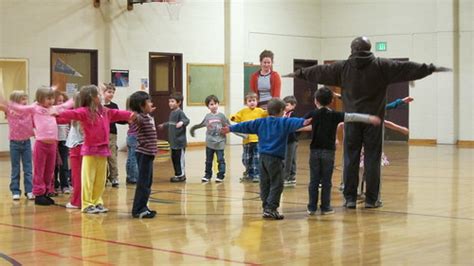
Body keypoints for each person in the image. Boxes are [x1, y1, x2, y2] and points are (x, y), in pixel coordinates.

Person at [283, 36, 450, 208]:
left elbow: (319, 71)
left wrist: (298, 73)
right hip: (374, 121)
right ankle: (371, 199)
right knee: (372, 159)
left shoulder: (342, 68)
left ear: (352, 49)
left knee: (351, 159)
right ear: (369, 48)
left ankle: (350, 199)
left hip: (352, 121)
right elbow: (406, 68)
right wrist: (431, 68)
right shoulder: (381, 66)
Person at [222, 98, 312, 220]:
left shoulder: (260, 122)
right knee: (277, 183)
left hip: (262, 158)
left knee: (265, 183)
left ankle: (266, 207)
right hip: (275, 159)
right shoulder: (283, 122)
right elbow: (302, 122)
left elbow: (245, 125)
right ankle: (271, 208)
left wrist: (230, 128)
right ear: (281, 111)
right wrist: (310, 119)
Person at [300, 87, 381, 215]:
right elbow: (352, 116)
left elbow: (300, 123)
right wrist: (369, 118)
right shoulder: (334, 115)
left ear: (315, 101)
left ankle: (311, 207)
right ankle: (326, 207)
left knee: (314, 180)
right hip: (328, 152)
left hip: (314, 151)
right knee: (326, 181)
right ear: (332, 101)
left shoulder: (312, 114)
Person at [57, 85, 134, 214]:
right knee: (88, 178)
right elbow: (72, 113)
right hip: (90, 150)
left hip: (103, 150)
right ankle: (87, 203)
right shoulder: (85, 111)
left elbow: (117, 114)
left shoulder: (105, 111)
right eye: (99, 94)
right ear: (92, 98)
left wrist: (131, 115)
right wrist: (56, 111)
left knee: (100, 179)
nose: (101, 96)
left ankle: (97, 201)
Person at [2, 86, 74, 205]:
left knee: (49, 170)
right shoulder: (34, 108)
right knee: (39, 170)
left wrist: (76, 98)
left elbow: (64, 106)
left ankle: (45, 192)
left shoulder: (53, 109)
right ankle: (39, 193)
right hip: (41, 144)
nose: (51, 101)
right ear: (40, 98)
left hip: (52, 145)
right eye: (48, 98)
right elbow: (19, 107)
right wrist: (6, 102)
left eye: (52, 98)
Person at [0, 91, 34, 200]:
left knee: (28, 168)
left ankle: (29, 190)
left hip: (26, 143)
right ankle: (15, 191)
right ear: (15, 101)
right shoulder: (10, 111)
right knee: (15, 168)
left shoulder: (28, 111)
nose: (25, 101)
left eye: (25, 99)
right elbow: (1, 104)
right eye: (22, 99)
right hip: (14, 143)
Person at [129, 91, 158, 219]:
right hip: (144, 154)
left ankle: (143, 207)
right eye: (148, 102)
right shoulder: (140, 117)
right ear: (141, 106)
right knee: (143, 183)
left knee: (147, 182)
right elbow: (134, 118)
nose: (151, 104)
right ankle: (138, 209)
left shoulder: (147, 117)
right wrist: (133, 115)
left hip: (149, 154)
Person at [190, 95, 230, 183]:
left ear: (218, 104)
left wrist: (241, 134)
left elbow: (229, 126)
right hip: (210, 142)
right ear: (208, 106)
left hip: (220, 142)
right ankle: (207, 175)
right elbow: (201, 124)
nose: (214, 106)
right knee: (208, 160)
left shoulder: (222, 116)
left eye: (215, 103)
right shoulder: (207, 117)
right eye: (211, 104)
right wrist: (193, 129)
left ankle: (220, 175)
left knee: (220, 159)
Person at [230, 92, 267, 183]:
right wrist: (233, 117)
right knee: (246, 158)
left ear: (257, 101)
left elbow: (267, 114)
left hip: (257, 139)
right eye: (249, 101)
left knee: (257, 157)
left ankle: (257, 174)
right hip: (247, 139)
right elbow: (236, 117)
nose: (252, 103)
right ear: (246, 102)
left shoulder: (260, 111)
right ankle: (249, 173)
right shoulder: (243, 112)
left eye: (253, 100)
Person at [159, 93, 190, 183]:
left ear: (179, 102)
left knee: (179, 159)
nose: (170, 103)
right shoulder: (172, 113)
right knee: (174, 159)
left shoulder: (180, 112)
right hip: (173, 142)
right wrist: (164, 125)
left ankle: (181, 175)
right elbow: (170, 122)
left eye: (172, 101)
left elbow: (186, 120)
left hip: (179, 143)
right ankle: (177, 174)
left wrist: (182, 122)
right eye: (169, 101)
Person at [101, 83, 126, 188]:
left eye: (113, 92)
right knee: (102, 157)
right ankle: (103, 177)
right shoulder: (99, 106)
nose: (111, 94)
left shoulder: (114, 106)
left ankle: (114, 177)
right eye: (109, 92)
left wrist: (126, 120)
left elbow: (118, 118)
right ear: (103, 93)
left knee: (112, 157)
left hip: (111, 134)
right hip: (100, 134)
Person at [64, 93, 84, 209]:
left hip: (77, 147)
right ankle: (83, 199)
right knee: (81, 176)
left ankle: (77, 201)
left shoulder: (78, 114)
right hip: (80, 146)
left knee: (77, 176)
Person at [53, 91, 71, 194]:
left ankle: (65, 185)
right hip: (54, 141)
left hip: (64, 141)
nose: (61, 103)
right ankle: (55, 184)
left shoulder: (65, 112)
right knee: (54, 164)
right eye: (59, 101)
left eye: (63, 101)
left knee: (64, 164)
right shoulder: (52, 113)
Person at [282, 95, 299, 186]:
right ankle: (291, 176)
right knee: (291, 158)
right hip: (287, 139)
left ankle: (286, 177)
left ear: (293, 105)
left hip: (291, 139)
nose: (285, 107)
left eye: (287, 105)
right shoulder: (284, 114)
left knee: (289, 159)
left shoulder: (292, 115)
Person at [125, 96, 138, 185]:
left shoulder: (128, 112)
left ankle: (129, 176)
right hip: (135, 137)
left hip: (130, 136)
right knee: (134, 158)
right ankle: (134, 177)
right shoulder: (135, 114)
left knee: (130, 157)